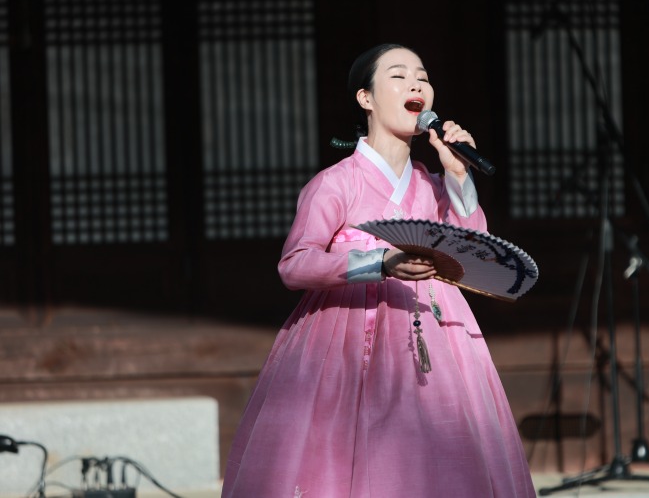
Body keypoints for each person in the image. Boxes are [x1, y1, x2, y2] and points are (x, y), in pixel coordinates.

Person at [221, 43, 536, 498]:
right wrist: (379, 262)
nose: (416, 84)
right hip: (346, 339)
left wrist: (457, 174)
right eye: (399, 75)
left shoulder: (434, 184)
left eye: (422, 77)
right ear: (365, 98)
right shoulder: (335, 183)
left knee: (441, 456)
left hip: (434, 336)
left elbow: (474, 251)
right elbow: (295, 264)